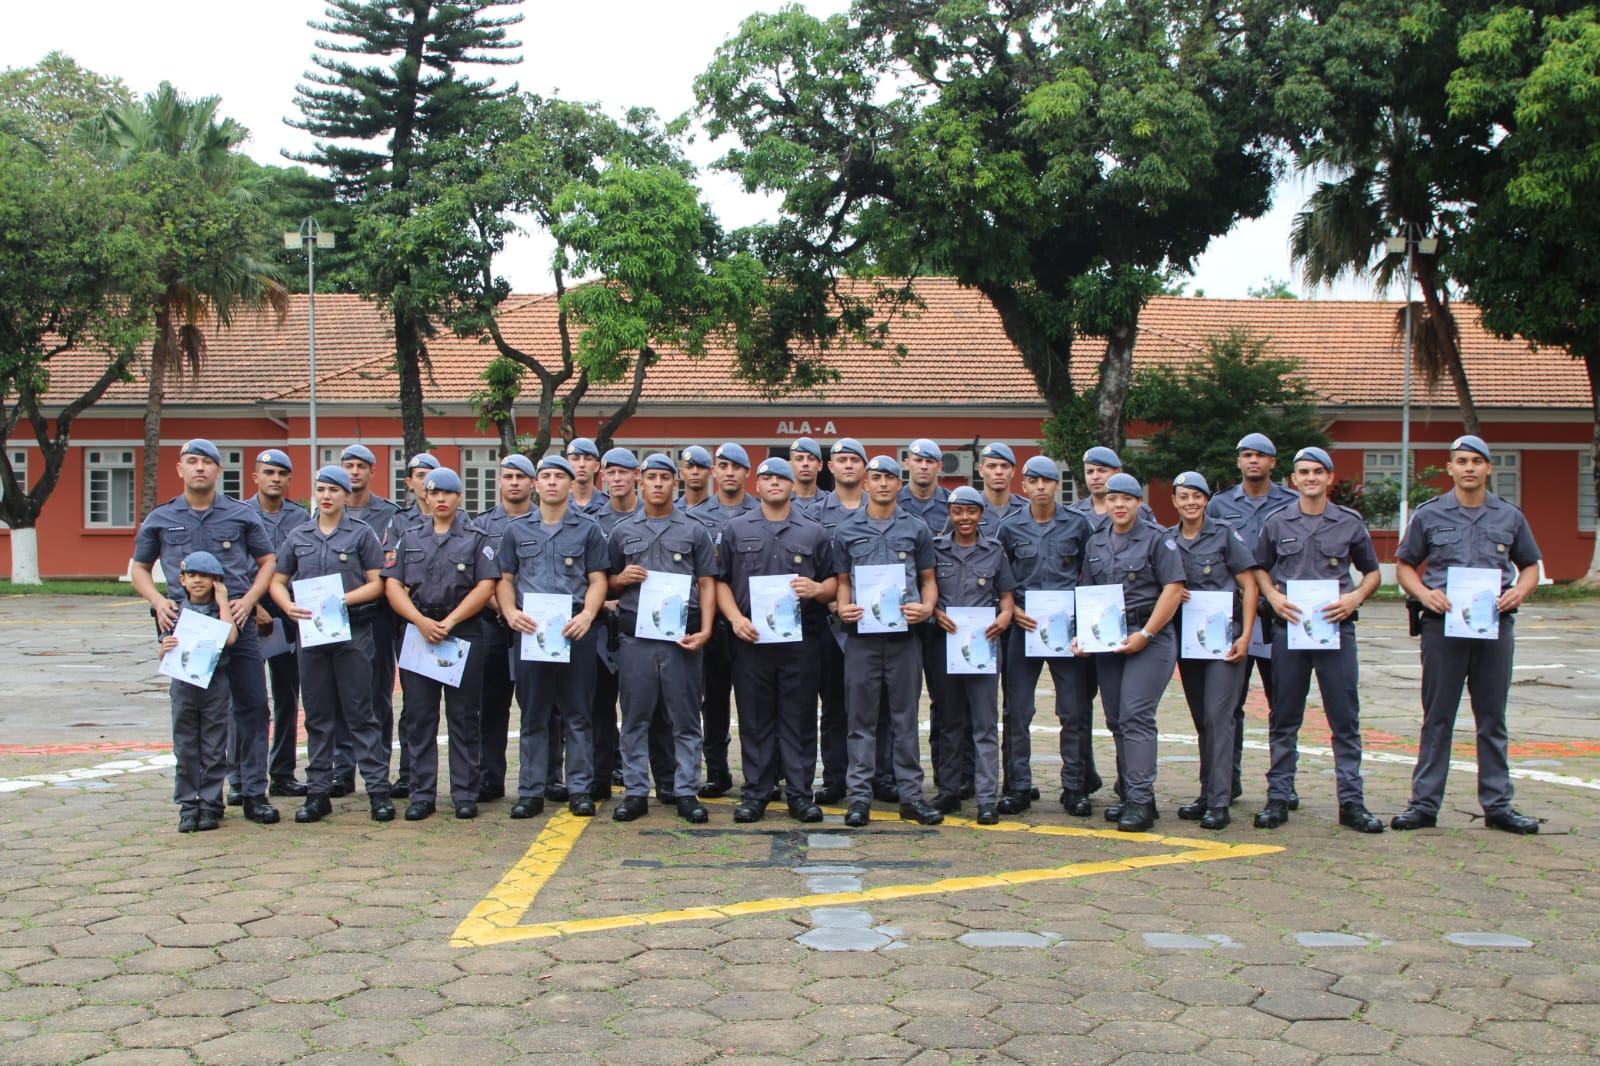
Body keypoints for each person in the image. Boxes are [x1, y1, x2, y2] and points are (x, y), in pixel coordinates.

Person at [1392, 435, 1542, 834]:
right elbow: (1404, 565)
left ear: (1488, 468)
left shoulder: (1510, 517)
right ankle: (1424, 805)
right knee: (1437, 717)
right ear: (1451, 469)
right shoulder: (1429, 514)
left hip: (1494, 627)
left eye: (1477, 461)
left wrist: (1519, 591)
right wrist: (1425, 594)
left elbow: (1530, 565)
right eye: (1462, 461)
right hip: (1443, 628)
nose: (1470, 468)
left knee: (1492, 718)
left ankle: (1498, 805)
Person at [132, 438, 280, 826]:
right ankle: (197, 800)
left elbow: (267, 561)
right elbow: (139, 568)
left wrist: (249, 600)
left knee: (251, 708)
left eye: (207, 462)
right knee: (193, 716)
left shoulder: (240, 515)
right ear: (179, 469)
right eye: (191, 462)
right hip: (187, 629)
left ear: (219, 471)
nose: (199, 468)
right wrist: (159, 601)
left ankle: (252, 791)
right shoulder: (161, 518)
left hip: (236, 624)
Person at [1251, 447, 1385, 833]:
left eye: (1317, 472)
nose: (1310, 478)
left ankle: (1351, 802)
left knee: (1344, 719)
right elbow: (1259, 566)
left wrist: (1355, 597)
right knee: (1284, 717)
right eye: (1303, 472)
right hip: (1289, 632)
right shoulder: (1278, 522)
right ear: (1293, 480)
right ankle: (1278, 798)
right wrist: (1273, 596)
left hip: (1336, 631)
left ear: (1329, 478)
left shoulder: (1348, 523)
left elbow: (1372, 572)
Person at [270, 465, 394, 823]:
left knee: (361, 713)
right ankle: (318, 793)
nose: (326, 496)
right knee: (318, 715)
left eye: (334, 490)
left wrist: (344, 599)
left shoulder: (361, 534)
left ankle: (377, 792)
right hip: (312, 635)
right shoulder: (299, 535)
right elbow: (278, 579)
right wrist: (286, 604)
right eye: (321, 489)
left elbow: (378, 582)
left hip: (353, 633)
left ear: (344, 495)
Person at [716, 457, 836, 823]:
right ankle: (756, 792)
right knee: (755, 718)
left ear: (791, 486)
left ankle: (800, 793)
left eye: (781, 478)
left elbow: (834, 581)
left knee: (799, 718)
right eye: (766, 478)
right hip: (750, 640)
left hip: (800, 642)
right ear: (758, 486)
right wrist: (735, 619)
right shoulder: (735, 529)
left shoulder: (813, 532)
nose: (774, 483)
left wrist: (816, 589)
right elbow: (720, 580)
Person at [383, 467, 500, 821]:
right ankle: (421, 793)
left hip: (461, 632)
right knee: (420, 717)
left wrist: (449, 622)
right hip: (419, 632)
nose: (440, 500)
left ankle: (465, 792)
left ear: (458, 497)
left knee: (464, 716)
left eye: (447, 494)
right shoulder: (410, 538)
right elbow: (393, 585)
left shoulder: (477, 538)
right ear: (425, 497)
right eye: (434, 494)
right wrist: (420, 621)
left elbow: (486, 586)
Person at [833, 455, 942, 827]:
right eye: (876, 477)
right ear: (866, 484)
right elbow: (843, 580)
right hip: (861, 639)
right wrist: (843, 606)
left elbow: (928, 577)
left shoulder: (917, 528)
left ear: (900, 484)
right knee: (860, 721)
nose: (882, 483)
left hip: (903, 639)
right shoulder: (846, 529)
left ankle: (911, 795)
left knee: (904, 719)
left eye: (889, 478)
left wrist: (927, 607)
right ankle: (859, 798)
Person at [608, 453, 718, 823]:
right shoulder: (624, 530)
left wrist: (705, 628)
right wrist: (620, 580)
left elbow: (707, 582)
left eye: (664, 478)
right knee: (635, 718)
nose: (657, 484)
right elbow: (604, 581)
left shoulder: (694, 530)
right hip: (636, 638)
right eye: (651, 477)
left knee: (685, 720)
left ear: (677, 483)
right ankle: (636, 792)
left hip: (681, 637)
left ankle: (686, 790)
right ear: (641, 481)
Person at [497, 455, 608, 819]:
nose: (551, 483)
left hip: (574, 632)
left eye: (559, 477)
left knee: (578, 715)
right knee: (533, 715)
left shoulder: (589, 529)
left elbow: (597, 580)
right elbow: (506, 580)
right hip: (531, 633)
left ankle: (579, 789)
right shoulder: (516, 530)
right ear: (535, 484)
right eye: (544, 477)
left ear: (569, 483)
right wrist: (511, 612)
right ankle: (531, 791)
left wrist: (589, 615)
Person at [1074, 473, 1185, 832]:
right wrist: (1081, 636)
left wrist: (1148, 633)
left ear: (1139, 503)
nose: (1118, 505)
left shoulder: (1158, 539)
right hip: (1109, 640)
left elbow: (1173, 589)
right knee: (1116, 719)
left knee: (1136, 714)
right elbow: (1087, 593)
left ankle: (1139, 801)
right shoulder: (1097, 543)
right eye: (1112, 499)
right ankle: (1134, 793)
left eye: (1126, 499)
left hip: (1148, 638)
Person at [997, 456, 1095, 815]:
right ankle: (1018, 786)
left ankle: (1074, 786)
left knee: (1073, 711)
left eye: (1047, 481)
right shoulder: (1009, 528)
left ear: (1057, 486)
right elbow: (999, 579)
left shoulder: (1079, 525)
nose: (1040, 487)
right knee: (1017, 711)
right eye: (1033, 481)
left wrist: (1083, 619)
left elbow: (1092, 574)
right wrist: (1011, 609)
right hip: (1023, 631)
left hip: (1066, 633)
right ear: (1023, 486)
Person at [1207, 432, 1298, 803]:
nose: (1253, 461)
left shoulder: (1292, 503)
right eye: (1246, 455)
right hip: (1236, 615)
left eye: (1261, 455)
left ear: (1274, 463)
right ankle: (1228, 780)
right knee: (1230, 704)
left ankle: (1283, 784)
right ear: (1238, 462)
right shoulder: (1219, 504)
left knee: (1284, 703)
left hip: (1279, 614)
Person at [1168, 471, 1259, 831]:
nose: (1190, 502)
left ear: (1207, 500)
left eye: (1197, 496)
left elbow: (1249, 585)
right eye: (1183, 496)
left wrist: (1247, 635)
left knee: (1220, 719)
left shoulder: (1224, 534)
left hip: (1225, 641)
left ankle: (1220, 801)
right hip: (1189, 642)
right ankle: (1207, 792)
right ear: (1174, 501)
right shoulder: (1168, 540)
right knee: (1203, 721)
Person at [927, 486, 1015, 825]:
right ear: (950, 514)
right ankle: (948, 791)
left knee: (984, 723)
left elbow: (1006, 595)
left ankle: (986, 797)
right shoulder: (935, 549)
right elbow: (926, 588)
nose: (964, 518)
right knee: (949, 721)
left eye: (971, 512)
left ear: (981, 514)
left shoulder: (994, 551)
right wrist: (934, 613)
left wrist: (1005, 616)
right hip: (943, 644)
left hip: (982, 646)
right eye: (958, 512)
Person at [689, 442, 761, 798]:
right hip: (711, 624)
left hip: (752, 623)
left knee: (755, 704)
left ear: (748, 473)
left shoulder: (762, 512)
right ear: (713, 472)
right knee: (713, 702)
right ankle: (717, 771)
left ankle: (762, 773)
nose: (730, 472)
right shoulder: (697, 516)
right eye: (723, 466)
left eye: (737, 466)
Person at [244, 449, 313, 799]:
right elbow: (234, 566)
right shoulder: (239, 515)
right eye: (268, 472)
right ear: (254, 477)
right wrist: (253, 605)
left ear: (289, 480)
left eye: (282, 473)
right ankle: (241, 777)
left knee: (288, 697)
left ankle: (282, 772)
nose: (275, 478)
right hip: (246, 615)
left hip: (288, 616)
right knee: (246, 700)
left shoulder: (301, 517)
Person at [341, 444, 404, 794]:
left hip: (377, 617)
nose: (354, 472)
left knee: (378, 693)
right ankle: (341, 767)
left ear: (372, 472)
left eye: (360, 466)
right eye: (348, 466)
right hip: (334, 618)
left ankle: (378, 767)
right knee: (338, 696)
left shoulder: (389, 515)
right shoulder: (323, 515)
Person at [475, 454, 537, 803]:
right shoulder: (481, 526)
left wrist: (519, 613)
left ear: (533, 484)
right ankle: (490, 778)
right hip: (493, 626)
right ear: (499, 482)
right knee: (492, 706)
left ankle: (543, 777)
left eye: (521, 477)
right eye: (508, 476)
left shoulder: (546, 521)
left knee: (540, 705)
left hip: (534, 626)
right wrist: (503, 609)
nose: (514, 482)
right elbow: (477, 576)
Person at [162, 551, 238, 833]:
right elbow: (164, 652)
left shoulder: (222, 610)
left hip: (215, 685)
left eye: (205, 576)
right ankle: (188, 804)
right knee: (185, 747)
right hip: (183, 686)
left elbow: (231, 638)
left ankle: (210, 803)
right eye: (192, 575)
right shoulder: (173, 611)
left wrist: (222, 601)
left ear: (216, 581)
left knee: (214, 746)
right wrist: (166, 647)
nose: (197, 581)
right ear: (182, 579)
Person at [813, 438, 868, 805]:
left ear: (864, 468)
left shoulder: (880, 508)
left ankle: (879, 776)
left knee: (874, 706)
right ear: (829, 467)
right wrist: (833, 600)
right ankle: (834, 778)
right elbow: (812, 565)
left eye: (854, 460)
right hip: (828, 625)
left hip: (876, 624)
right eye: (841, 460)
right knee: (833, 705)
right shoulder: (815, 514)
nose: (847, 465)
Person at [898, 438, 951, 533]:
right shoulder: (894, 502)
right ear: (907, 464)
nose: (924, 467)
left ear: (939, 467)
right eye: (918, 460)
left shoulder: (952, 503)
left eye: (929, 461)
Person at [976, 442, 1027, 531]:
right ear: (981, 470)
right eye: (991, 466)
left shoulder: (1027, 510)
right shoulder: (969, 510)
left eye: (1005, 466)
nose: (999, 472)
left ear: (1013, 471)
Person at [566, 437, 609, 517]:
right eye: (576, 459)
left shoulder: (608, 505)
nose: (581, 464)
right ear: (567, 465)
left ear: (596, 466)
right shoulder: (559, 504)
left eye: (588, 459)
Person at [789, 437, 826, 519]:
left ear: (820, 465)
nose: (805, 463)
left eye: (811, 459)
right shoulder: (780, 502)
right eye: (799, 459)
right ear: (790, 465)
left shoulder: (829, 502)